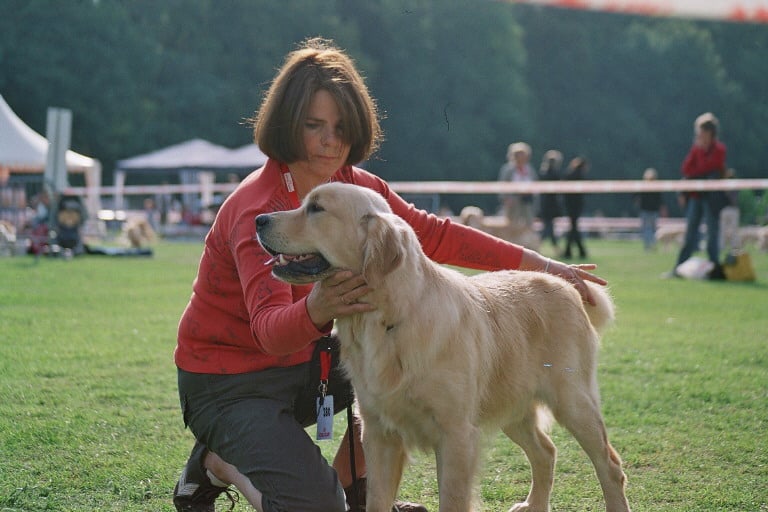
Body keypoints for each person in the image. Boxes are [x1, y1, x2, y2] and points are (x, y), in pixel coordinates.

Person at [172, 37, 607, 512]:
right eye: (313, 125)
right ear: (286, 125)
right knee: (316, 506)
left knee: (391, 370)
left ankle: (348, 493)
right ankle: (217, 462)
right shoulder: (261, 211)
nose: (329, 140)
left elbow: (435, 235)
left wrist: (543, 265)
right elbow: (269, 331)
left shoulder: (358, 187)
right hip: (231, 380)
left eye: (340, 127)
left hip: (307, 365)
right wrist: (321, 305)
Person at [666, 112, 727, 279]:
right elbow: (686, 169)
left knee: (712, 233)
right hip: (696, 195)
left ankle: (715, 269)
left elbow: (714, 165)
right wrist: (701, 170)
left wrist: (698, 171)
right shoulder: (696, 149)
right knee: (690, 232)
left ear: (709, 132)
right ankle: (679, 268)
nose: (699, 136)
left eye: (701, 132)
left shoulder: (719, 149)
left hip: (712, 197)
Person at [498, 141, 537, 228]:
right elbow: (503, 185)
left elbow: (535, 185)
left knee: (528, 224)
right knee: (512, 224)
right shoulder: (508, 170)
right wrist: (505, 199)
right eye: (519, 154)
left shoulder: (530, 169)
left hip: (527, 201)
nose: (521, 157)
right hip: (513, 201)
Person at [562, 156, 589, 259]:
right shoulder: (580, 175)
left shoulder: (568, 174)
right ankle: (578, 251)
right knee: (574, 228)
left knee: (573, 228)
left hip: (569, 205)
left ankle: (569, 251)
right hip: (577, 205)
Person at [537, 149, 563, 251]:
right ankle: (552, 246)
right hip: (550, 204)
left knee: (548, 226)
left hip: (544, 203)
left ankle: (542, 245)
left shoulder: (542, 173)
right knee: (548, 226)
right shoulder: (555, 174)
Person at [635, 168, 664, 251]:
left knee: (647, 229)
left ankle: (648, 246)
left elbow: (635, 197)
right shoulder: (656, 187)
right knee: (652, 229)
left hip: (647, 210)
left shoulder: (643, 186)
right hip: (652, 211)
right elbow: (660, 200)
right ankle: (651, 245)